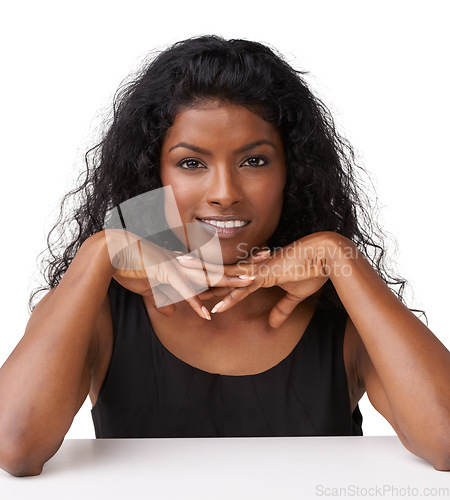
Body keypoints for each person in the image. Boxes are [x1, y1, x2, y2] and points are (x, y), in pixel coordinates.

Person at [0, 35, 449, 477]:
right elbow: (14, 446)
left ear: (291, 172)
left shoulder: (343, 312)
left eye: (254, 161)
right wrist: (101, 250)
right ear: (153, 174)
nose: (224, 194)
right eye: (192, 163)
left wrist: (340, 255)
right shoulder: (100, 308)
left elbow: (445, 442)